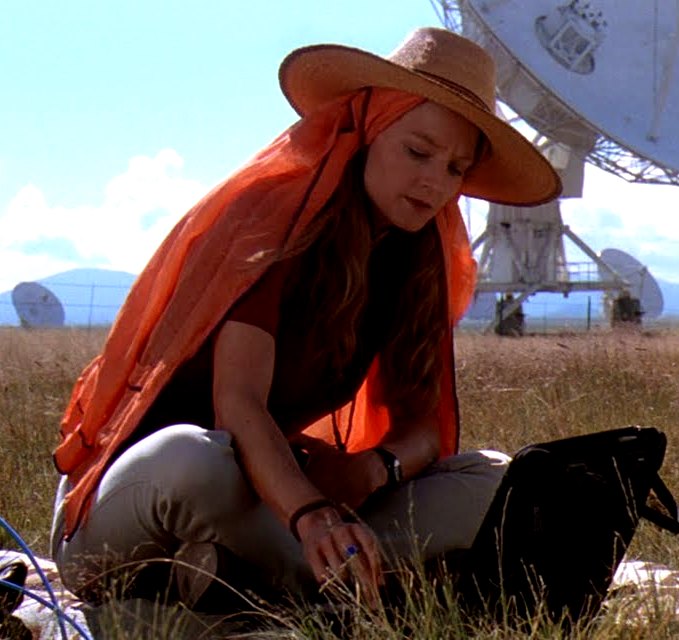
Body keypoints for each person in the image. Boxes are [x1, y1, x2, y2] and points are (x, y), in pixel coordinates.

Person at [47, 27, 561, 610]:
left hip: (272, 497)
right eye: (418, 152)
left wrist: (373, 469)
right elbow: (236, 404)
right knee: (197, 458)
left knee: (497, 481)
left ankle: (239, 579)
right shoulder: (272, 227)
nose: (434, 183)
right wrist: (314, 514)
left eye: (454, 170)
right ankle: (339, 584)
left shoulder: (413, 257)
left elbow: (421, 425)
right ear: (368, 131)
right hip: (145, 495)